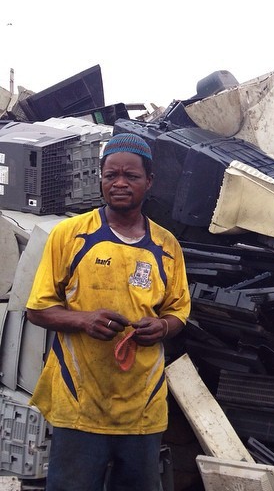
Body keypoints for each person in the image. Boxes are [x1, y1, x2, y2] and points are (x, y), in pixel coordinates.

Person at [26, 132, 191, 491]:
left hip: (142, 405)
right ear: (99, 179)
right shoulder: (69, 235)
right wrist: (84, 320)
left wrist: (161, 328)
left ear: (149, 182)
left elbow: (178, 311)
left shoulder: (166, 245)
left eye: (131, 176)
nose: (119, 183)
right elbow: (37, 309)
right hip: (79, 400)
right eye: (110, 175)